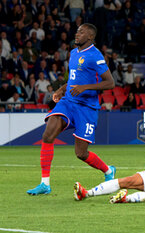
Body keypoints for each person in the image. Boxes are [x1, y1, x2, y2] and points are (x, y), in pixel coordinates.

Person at [26, 23, 116, 195]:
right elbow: (74, 78)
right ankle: (45, 184)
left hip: (87, 108)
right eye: (77, 31)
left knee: (81, 153)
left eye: (81, 32)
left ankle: (108, 171)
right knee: (47, 134)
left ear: (90, 37)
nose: (77, 34)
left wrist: (85, 88)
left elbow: (110, 83)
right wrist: (61, 89)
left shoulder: (95, 56)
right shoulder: (73, 53)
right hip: (68, 102)